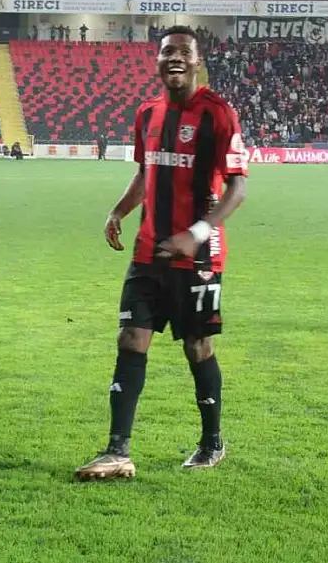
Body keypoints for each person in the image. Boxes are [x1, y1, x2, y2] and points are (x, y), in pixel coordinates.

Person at [74, 25, 249, 481]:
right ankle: (117, 450)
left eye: (183, 52)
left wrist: (197, 231)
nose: (174, 58)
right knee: (131, 339)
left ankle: (212, 443)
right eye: (166, 51)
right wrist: (117, 212)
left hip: (199, 258)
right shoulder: (147, 114)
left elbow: (238, 188)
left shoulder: (217, 113)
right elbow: (145, 174)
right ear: (156, 60)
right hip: (148, 252)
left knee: (197, 346)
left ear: (196, 61)